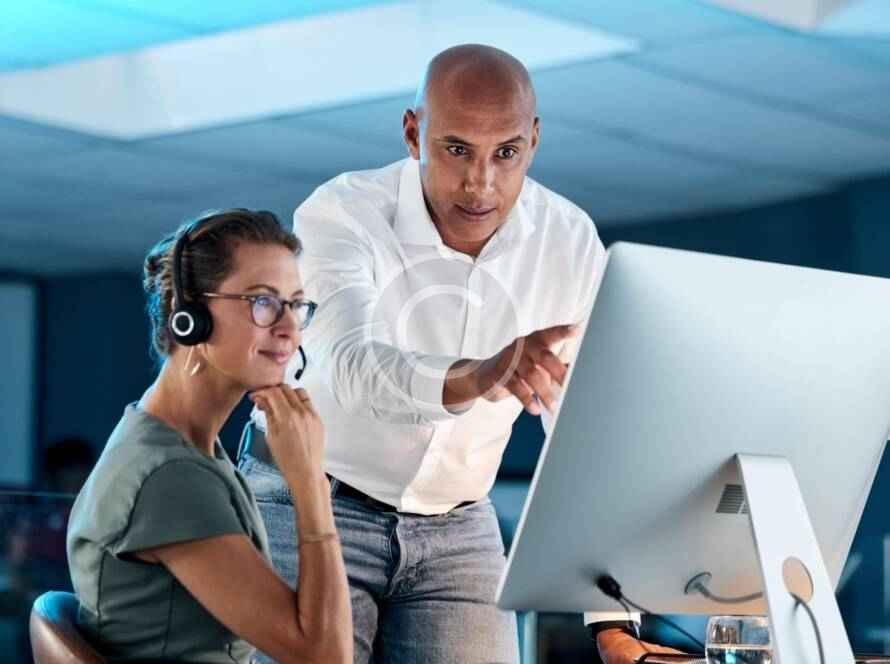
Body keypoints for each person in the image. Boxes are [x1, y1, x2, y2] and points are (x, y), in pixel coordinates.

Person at [240, 45, 677, 664]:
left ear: (533, 141)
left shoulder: (568, 240)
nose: (481, 183)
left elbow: (586, 432)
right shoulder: (341, 213)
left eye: (506, 153)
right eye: (456, 150)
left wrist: (612, 618)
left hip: (456, 524)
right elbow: (356, 368)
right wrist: (480, 374)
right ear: (412, 133)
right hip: (306, 497)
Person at [66, 209, 352, 664]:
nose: (289, 329)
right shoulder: (172, 477)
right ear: (190, 317)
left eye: (296, 305)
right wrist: (309, 482)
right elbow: (325, 656)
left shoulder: (176, 444)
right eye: (263, 302)